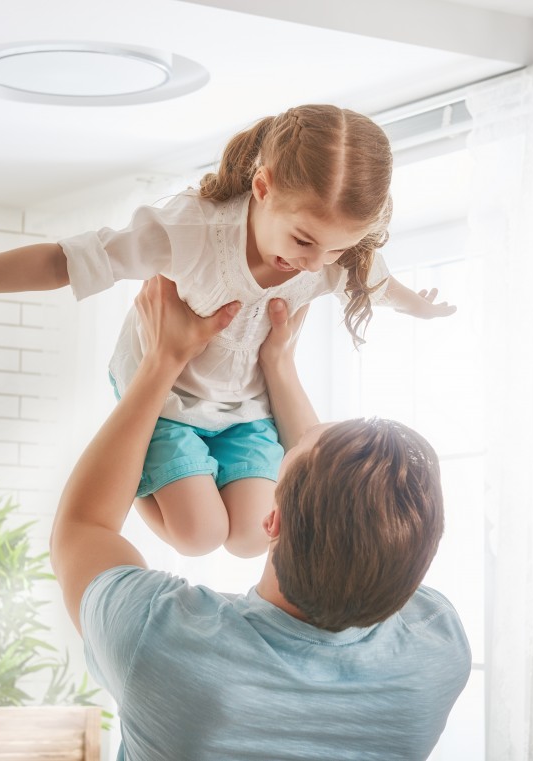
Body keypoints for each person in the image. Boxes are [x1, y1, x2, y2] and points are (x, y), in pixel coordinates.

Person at [0, 104, 456, 559]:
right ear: (263, 188)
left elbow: (380, 284)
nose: (317, 263)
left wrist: (417, 308)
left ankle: (186, 480)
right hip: (167, 400)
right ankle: (133, 467)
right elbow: (66, 261)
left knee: (248, 541)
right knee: (198, 536)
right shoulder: (191, 230)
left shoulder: (340, 261)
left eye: (338, 247)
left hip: (245, 409)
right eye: (303, 240)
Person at [50, 275, 471, 761]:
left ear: (272, 521)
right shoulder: (436, 646)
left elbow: (83, 528)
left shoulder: (161, 640)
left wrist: (158, 365)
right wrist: (279, 363)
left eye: (287, 459)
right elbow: (351, 518)